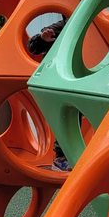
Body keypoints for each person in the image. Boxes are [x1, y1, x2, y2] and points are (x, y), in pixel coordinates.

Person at [27, 19, 70, 171]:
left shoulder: (96, 28)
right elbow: (33, 46)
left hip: (84, 77)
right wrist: (42, 38)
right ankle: (61, 157)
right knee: (67, 113)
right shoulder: (63, 25)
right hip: (60, 80)